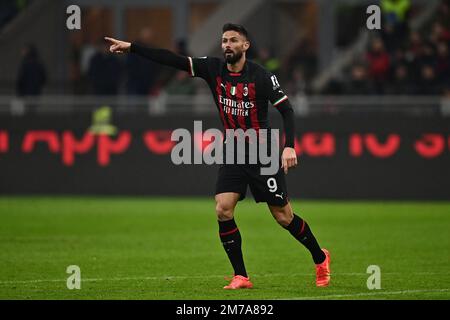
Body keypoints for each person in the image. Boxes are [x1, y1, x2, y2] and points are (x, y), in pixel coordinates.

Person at [105, 23, 330, 290]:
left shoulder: (261, 76)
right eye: (224, 40)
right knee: (223, 209)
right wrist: (133, 48)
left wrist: (289, 146)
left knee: (283, 217)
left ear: (245, 46)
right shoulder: (212, 69)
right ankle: (241, 276)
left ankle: (320, 257)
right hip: (234, 149)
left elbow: (287, 111)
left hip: (263, 152)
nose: (227, 45)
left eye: (233, 40)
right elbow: (171, 59)